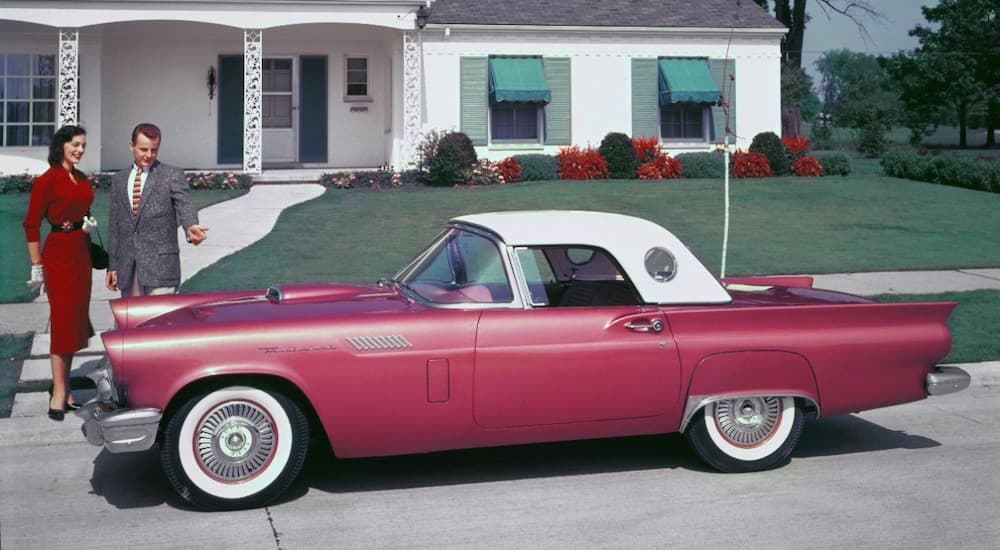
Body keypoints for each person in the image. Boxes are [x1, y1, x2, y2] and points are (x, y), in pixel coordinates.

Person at [22, 125, 95, 421]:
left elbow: (84, 209)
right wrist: (37, 263)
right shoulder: (47, 180)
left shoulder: (81, 178)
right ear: (61, 146)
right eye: (75, 144)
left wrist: (87, 225)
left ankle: (66, 390)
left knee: (74, 322)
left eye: (83, 145)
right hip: (58, 257)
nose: (79, 149)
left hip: (81, 253)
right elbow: (30, 224)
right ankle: (58, 393)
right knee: (63, 321)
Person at [105, 123, 208, 297]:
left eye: (154, 150)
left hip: (162, 269)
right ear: (131, 146)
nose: (149, 155)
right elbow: (115, 225)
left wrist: (191, 227)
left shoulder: (171, 174)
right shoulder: (119, 179)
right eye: (143, 149)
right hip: (128, 270)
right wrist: (113, 265)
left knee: (161, 323)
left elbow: (185, 205)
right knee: (131, 323)